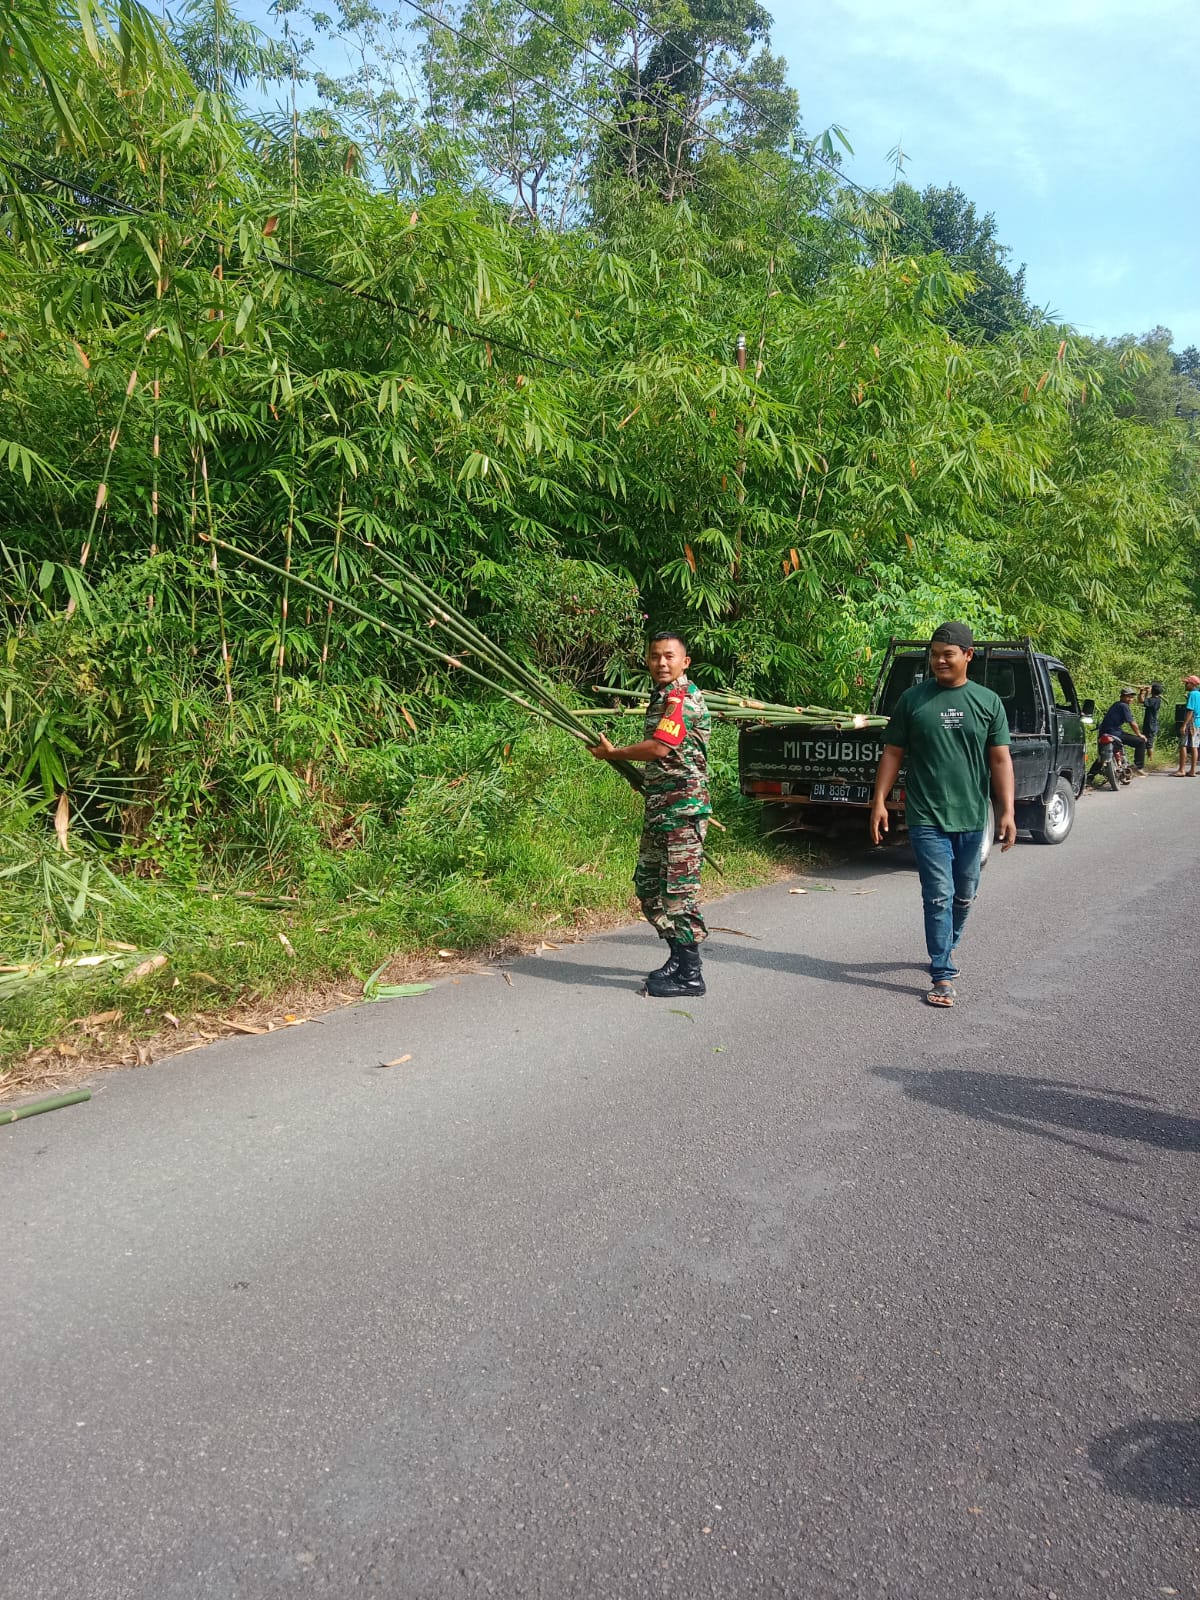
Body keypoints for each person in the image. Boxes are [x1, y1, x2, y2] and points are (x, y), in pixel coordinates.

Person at [869, 621, 1016, 1009]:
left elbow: (1000, 760)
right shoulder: (913, 700)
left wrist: (1007, 812)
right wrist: (879, 801)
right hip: (926, 815)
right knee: (938, 895)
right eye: (934, 655)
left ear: (967, 655)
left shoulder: (988, 703)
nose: (939, 661)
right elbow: (893, 753)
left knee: (964, 895)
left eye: (947, 654)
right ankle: (942, 972)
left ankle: (945, 948)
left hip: (971, 816)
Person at [588, 632, 711, 997]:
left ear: (684, 662)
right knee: (647, 887)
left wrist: (615, 754)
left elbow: (660, 746)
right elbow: (669, 757)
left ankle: (691, 974)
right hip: (661, 806)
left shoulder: (682, 698)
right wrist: (647, 781)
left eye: (669, 656)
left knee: (678, 895)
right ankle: (676, 957)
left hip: (683, 812)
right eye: (655, 656)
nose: (661, 662)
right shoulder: (660, 697)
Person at [1097, 688, 1147, 771]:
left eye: (1132, 697)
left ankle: (1090, 777)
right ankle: (1138, 767)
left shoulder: (1116, 704)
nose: (1130, 699)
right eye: (1128, 697)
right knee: (1141, 742)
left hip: (1104, 732)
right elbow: (1132, 723)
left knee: (1103, 755)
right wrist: (1139, 735)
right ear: (1122, 697)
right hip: (1114, 733)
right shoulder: (1123, 706)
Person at [1174, 674, 1200, 777]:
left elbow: (1190, 711)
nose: (1185, 684)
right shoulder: (1198, 694)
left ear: (1192, 684)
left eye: (1187, 683)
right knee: (1194, 746)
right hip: (1198, 722)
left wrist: (1184, 725)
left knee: (1183, 744)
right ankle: (1192, 770)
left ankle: (1182, 769)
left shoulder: (1193, 694)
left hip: (1191, 722)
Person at [1135, 682, 1163, 771]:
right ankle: (1149, 760)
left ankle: (1151, 761)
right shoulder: (1156, 700)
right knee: (1147, 741)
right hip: (1151, 724)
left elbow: (1141, 700)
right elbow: (1146, 701)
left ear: (1153, 691)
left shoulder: (1153, 700)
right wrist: (1146, 692)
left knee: (1149, 744)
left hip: (1150, 725)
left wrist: (1141, 692)